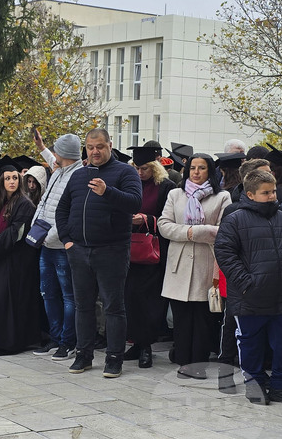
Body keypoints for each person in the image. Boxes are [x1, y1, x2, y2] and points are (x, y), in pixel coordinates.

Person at [215, 169, 282, 406]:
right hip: (250, 297)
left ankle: (281, 386)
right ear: (250, 194)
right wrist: (247, 284)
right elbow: (225, 254)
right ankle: (255, 384)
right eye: (265, 193)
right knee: (250, 343)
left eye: (273, 191)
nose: (272, 196)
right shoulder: (235, 219)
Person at [56, 129, 142, 378]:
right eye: (90, 147)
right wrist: (67, 241)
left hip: (111, 250)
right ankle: (83, 355)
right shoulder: (78, 175)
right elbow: (62, 209)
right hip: (79, 251)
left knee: (113, 307)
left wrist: (108, 192)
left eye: (100, 146)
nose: (95, 151)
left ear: (110, 146)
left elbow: (135, 202)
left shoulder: (125, 171)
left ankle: (114, 358)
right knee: (83, 306)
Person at [159, 153, 232, 379]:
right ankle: (183, 362)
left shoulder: (222, 197)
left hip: (207, 261)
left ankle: (199, 365)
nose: (196, 172)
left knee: (202, 318)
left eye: (201, 168)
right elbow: (164, 225)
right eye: (192, 168)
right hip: (179, 263)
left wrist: (198, 232)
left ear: (210, 171)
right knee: (181, 318)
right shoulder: (175, 194)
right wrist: (192, 232)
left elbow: (225, 229)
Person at [0, 160, 41, 355]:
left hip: (15, 259)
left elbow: (17, 232)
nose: (12, 182)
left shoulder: (25, 204)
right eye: (8, 179)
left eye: (15, 178)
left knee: (7, 300)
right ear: (1, 182)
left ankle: (8, 342)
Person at [31, 134, 84, 361]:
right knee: (48, 293)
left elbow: (70, 216)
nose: (55, 155)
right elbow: (44, 202)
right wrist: (35, 229)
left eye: (57, 151)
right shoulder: (59, 171)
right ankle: (54, 336)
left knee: (68, 296)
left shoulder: (78, 176)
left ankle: (67, 342)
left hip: (62, 246)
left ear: (66, 153)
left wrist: (49, 237)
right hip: (45, 243)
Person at [123, 145, 175, 368]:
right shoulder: (128, 184)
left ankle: (146, 346)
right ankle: (136, 342)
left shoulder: (166, 187)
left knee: (150, 302)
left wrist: (146, 219)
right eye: (136, 167)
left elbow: (167, 219)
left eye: (144, 168)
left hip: (153, 252)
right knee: (130, 298)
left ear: (154, 167)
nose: (139, 172)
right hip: (128, 250)